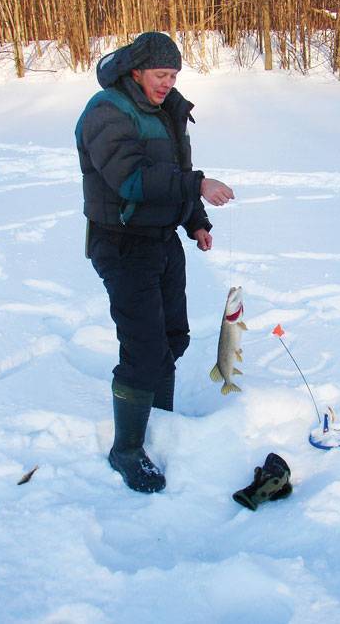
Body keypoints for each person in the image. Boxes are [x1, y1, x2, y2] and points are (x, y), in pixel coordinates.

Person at [75, 32, 234, 494]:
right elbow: (131, 178)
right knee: (143, 350)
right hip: (122, 245)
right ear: (137, 70)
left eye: (174, 75)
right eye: (161, 74)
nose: (168, 83)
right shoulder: (107, 112)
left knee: (171, 338)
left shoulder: (166, 109)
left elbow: (176, 169)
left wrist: (195, 221)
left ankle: (160, 423)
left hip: (162, 240)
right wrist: (199, 186)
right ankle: (126, 449)